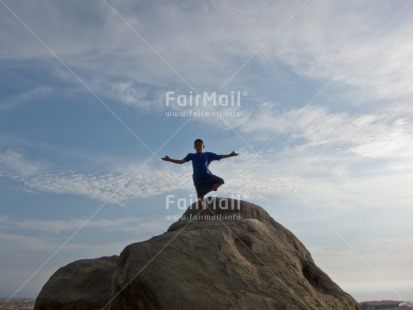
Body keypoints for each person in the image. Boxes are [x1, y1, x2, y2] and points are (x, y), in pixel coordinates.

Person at [162, 138, 238, 220]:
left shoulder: (207, 154)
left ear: (203, 146)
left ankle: (210, 190)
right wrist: (169, 160)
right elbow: (181, 162)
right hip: (197, 178)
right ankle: (202, 215)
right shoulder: (191, 155)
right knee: (200, 198)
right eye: (196, 146)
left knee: (221, 181)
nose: (198, 147)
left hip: (207, 175)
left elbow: (219, 156)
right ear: (194, 147)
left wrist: (230, 155)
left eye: (200, 145)